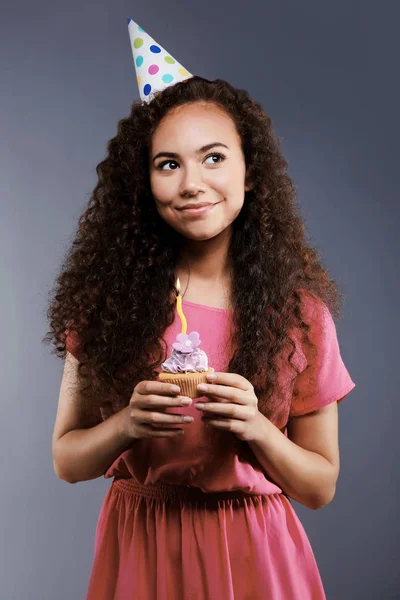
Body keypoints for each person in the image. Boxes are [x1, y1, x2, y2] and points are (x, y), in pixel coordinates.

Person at [48, 18, 356, 600]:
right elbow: (67, 459)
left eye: (213, 158)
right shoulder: (107, 305)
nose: (192, 183)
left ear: (250, 170)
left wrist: (257, 429)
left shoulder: (301, 316)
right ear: (144, 182)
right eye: (169, 164)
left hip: (255, 552)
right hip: (142, 546)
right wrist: (126, 425)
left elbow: (320, 487)